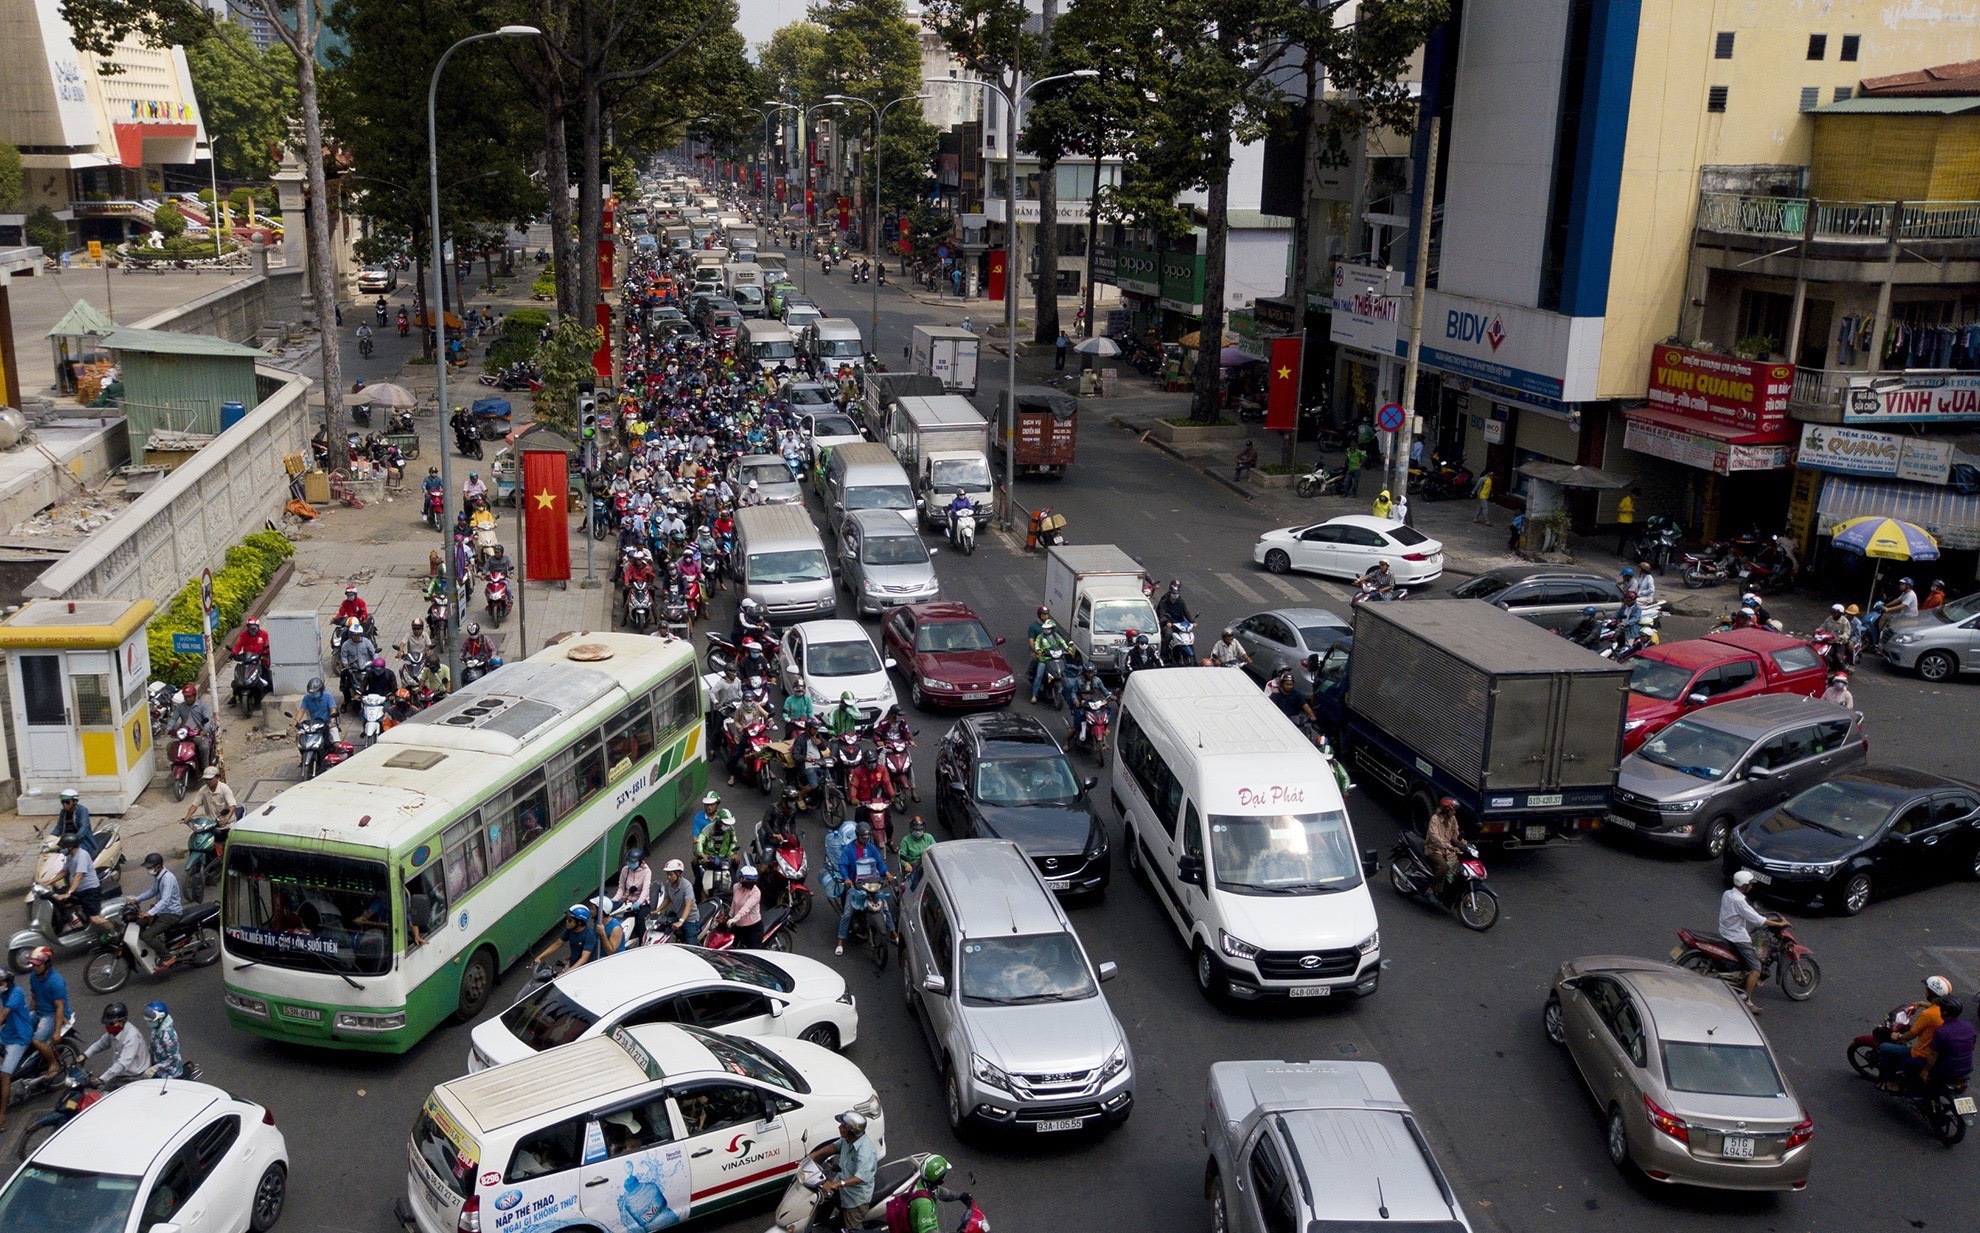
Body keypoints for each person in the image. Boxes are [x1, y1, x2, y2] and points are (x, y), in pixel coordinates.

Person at [1719, 870, 1783, 1011]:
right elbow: (1757, 920)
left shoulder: (1727, 894)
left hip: (1725, 931)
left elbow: (1748, 914)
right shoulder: (1739, 901)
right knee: (1756, 968)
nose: (1752, 886)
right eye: (1750, 884)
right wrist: (1779, 924)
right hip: (1737, 937)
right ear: (1744, 885)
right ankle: (1747, 1000)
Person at [1879, 976, 1954, 1090]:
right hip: (1940, 1053)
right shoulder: (1947, 1011)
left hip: (1921, 1054)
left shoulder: (1928, 1014)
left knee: (1884, 1047)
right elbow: (1935, 1008)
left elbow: (1911, 1035)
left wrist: (1898, 1036)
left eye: (1927, 989)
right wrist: (1922, 1003)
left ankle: (1890, 1082)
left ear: (1931, 993)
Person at [810, 1111, 880, 1228]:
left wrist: (836, 1184)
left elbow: (859, 1178)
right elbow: (834, 1147)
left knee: (852, 1229)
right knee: (817, 1199)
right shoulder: (847, 1140)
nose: (839, 1127)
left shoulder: (865, 1152)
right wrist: (814, 1155)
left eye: (842, 1126)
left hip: (855, 1198)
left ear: (851, 1132)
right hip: (840, 1187)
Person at [835, 822, 893, 956]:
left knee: (884, 907)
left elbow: (879, 863)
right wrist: (846, 879)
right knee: (847, 913)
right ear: (857, 836)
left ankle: (893, 933)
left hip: (871, 883)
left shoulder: (871, 848)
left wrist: (887, 873)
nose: (866, 840)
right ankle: (840, 940)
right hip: (855, 885)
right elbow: (842, 865)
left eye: (867, 837)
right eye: (863, 837)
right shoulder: (848, 850)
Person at [54, 832, 112, 941]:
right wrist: (47, 882)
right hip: (79, 889)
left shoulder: (82, 856)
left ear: (70, 846)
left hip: (90, 890)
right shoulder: (70, 856)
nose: (62, 849)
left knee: (95, 918)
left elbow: (79, 875)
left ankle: (113, 932)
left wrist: (69, 893)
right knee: (58, 899)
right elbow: (64, 871)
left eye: (64, 847)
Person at [130, 852, 184, 963]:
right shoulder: (159, 876)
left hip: (171, 914)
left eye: (149, 867)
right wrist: (136, 899)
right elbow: (152, 891)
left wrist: (149, 913)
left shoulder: (168, 878)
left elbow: (165, 900)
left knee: (146, 936)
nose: (148, 870)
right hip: (162, 911)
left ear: (158, 866)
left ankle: (167, 957)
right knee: (137, 924)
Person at [81, 1002, 151, 1087]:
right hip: (121, 1074)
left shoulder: (132, 1037)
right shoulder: (114, 1031)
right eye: (106, 1024)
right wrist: (85, 1055)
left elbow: (122, 1064)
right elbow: (102, 1043)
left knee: (106, 1093)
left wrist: (101, 1079)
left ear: (121, 1021)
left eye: (111, 1024)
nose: (108, 1026)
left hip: (134, 1077)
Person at [25, 948, 68, 1081]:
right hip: (39, 1011)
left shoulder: (55, 981)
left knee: (37, 1040)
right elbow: (34, 997)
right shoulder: (33, 977)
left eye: (38, 965)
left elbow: (59, 1006)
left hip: (52, 1014)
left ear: (47, 964)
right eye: (33, 965)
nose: (35, 967)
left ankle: (53, 1063)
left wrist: (57, 1032)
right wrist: (26, 1015)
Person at [905, 1155, 969, 1233]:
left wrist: (959, 1196)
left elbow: (941, 1192)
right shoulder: (924, 1204)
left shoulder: (924, 1184)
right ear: (940, 1179)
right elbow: (927, 1230)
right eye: (943, 1175)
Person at [0, 971, 31, 1128]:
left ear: (8, 982)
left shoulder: (16, 993)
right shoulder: (4, 992)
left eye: (1, 983)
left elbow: (4, 1013)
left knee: (4, 1076)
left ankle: (2, 1117)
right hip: (8, 1033)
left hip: (19, 1037)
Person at [532, 904, 603, 971]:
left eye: (570, 920)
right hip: (572, 964)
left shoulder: (590, 935)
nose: (566, 922)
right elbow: (557, 944)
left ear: (579, 922)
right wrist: (539, 957)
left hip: (584, 969)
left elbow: (583, 959)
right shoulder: (570, 930)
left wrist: (567, 972)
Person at [653, 859, 699, 944]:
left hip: (690, 920)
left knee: (690, 946)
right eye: (667, 874)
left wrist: (681, 921)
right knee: (663, 930)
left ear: (679, 874)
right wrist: (657, 910)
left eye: (671, 874)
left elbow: (688, 905)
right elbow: (668, 899)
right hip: (678, 916)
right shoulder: (668, 884)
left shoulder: (687, 886)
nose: (668, 877)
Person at [613, 849, 654, 941]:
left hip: (641, 904)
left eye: (633, 862)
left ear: (640, 862)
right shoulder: (625, 870)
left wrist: (639, 902)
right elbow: (621, 889)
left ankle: (643, 943)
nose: (630, 864)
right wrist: (614, 901)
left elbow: (645, 890)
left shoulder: (647, 872)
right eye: (629, 861)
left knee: (641, 925)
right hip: (626, 903)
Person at [1029, 619, 1072, 705]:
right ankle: (1034, 695)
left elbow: (1063, 642)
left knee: (1066, 671)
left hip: (1056, 658)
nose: (1046, 630)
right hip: (1044, 659)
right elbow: (1037, 644)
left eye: (1048, 628)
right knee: (1039, 676)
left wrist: (1068, 648)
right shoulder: (1040, 637)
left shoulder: (1056, 636)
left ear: (1052, 629)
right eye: (1045, 628)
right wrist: (1038, 650)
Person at [143, 1001, 186, 1080]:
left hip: (170, 1074)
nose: (148, 1021)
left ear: (161, 1018)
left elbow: (173, 1058)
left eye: (151, 1019)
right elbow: (154, 1046)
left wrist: (156, 1067)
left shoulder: (168, 1035)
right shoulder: (155, 1029)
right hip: (158, 1069)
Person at [1424, 797, 1462, 885]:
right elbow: (1435, 838)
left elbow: (1455, 836)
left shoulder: (1453, 819)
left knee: (1457, 865)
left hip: (1447, 850)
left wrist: (1462, 842)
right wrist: (1451, 847)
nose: (1454, 812)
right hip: (1434, 849)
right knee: (1443, 867)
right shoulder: (1435, 819)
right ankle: (1433, 889)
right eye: (1452, 810)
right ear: (1446, 810)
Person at [52, 790, 96, 858]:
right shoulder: (63, 812)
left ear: (75, 802)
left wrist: (75, 839)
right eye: (63, 802)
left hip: (81, 841)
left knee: (71, 854)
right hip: (66, 840)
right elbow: (59, 827)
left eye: (67, 802)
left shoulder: (82, 810)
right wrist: (51, 838)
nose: (64, 804)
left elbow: (84, 827)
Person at [895, 814, 936, 887]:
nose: (918, 832)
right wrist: (906, 865)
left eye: (920, 829)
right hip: (913, 868)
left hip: (928, 864)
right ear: (911, 829)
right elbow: (901, 857)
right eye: (916, 829)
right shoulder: (906, 840)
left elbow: (935, 849)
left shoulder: (929, 838)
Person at [298, 675, 340, 747]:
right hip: (313, 726)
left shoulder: (328, 696)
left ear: (321, 690)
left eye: (315, 692)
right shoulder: (307, 698)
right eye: (311, 693)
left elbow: (333, 709)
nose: (313, 694)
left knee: (337, 745)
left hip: (327, 724)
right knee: (299, 736)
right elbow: (301, 710)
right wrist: (295, 722)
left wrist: (331, 722)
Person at [729, 866, 764, 948]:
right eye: (748, 879)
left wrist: (735, 918)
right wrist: (730, 914)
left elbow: (746, 907)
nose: (751, 882)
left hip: (752, 927)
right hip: (738, 925)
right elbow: (734, 903)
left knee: (752, 952)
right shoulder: (736, 887)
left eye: (753, 880)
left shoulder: (756, 892)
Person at [1614, 490, 1636, 557]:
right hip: (1622, 521)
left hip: (1629, 521)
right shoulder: (1625, 500)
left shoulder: (1632, 501)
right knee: (1623, 537)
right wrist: (1629, 510)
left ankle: (1621, 552)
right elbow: (1618, 510)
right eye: (1635, 496)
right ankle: (1619, 553)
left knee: (1627, 537)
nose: (1636, 497)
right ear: (1632, 494)